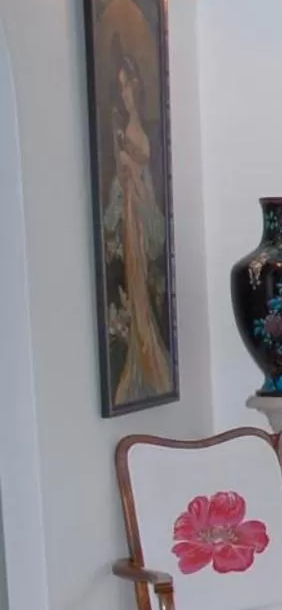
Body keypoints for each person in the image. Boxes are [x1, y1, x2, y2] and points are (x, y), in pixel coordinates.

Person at [105, 47, 172, 404]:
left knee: (141, 288)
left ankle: (148, 355)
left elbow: (145, 183)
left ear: (136, 85)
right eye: (120, 87)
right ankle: (140, 357)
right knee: (135, 284)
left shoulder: (138, 132)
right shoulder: (122, 130)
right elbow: (121, 181)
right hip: (130, 217)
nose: (125, 93)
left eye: (127, 85)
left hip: (140, 218)